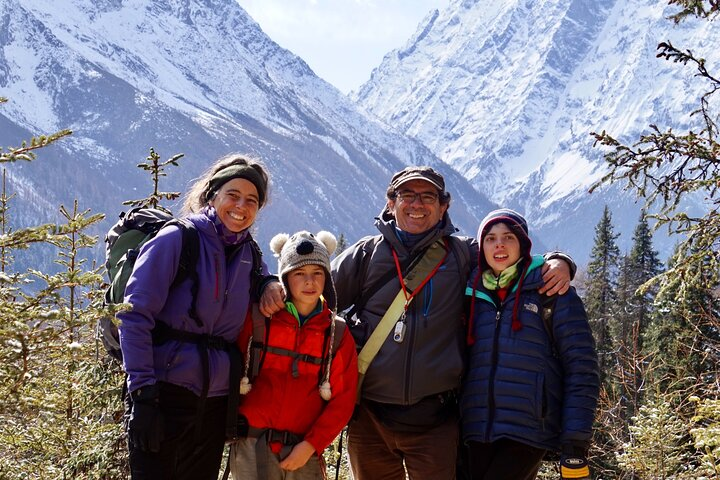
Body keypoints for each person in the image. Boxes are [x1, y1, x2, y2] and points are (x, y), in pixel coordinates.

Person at [328, 166, 575, 480]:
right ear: (391, 203)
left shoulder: (461, 254)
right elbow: (314, 294)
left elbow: (512, 257)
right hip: (369, 419)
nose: (417, 204)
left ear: (443, 206)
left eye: (428, 196)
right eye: (407, 195)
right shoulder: (366, 255)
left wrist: (559, 261)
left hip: (436, 420)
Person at [118, 154, 282, 479]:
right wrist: (143, 396)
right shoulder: (178, 239)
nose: (241, 206)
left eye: (252, 200)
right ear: (212, 195)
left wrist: (268, 282)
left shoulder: (249, 252)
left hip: (216, 404)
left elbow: (262, 276)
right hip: (163, 394)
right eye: (232, 195)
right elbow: (133, 316)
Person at [461, 208, 599, 480]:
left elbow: (582, 369)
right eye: (490, 238)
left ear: (523, 244)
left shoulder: (552, 291)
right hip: (473, 429)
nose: (499, 244)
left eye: (508, 237)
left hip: (527, 430)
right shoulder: (469, 292)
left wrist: (575, 441)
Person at [229, 230, 358, 480]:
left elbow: (344, 400)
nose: (309, 281)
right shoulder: (258, 320)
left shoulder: (336, 334)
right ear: (285, 277)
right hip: (250, 445)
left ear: (326, 278)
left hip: (304, 450)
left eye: (317, 273)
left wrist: (312, 445)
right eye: (299, 273)